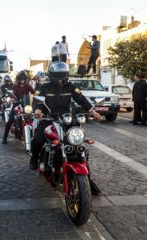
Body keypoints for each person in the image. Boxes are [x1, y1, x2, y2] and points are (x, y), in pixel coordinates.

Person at [30, 61, 102, 194]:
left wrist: (93, 111)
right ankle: (34, 157)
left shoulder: (70, 87)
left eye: (63, 76)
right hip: (48, 117)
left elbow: (81, 99)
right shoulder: (44, 87)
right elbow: (36, 100)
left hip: (66, 119)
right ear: (51, 76)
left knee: (79, 146)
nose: (60, 79)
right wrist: (38, 110)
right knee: (39, 138)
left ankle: (88, 182)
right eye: (57, 76)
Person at [2, 71, 36, 144]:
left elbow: (34, 92)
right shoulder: (15, 86)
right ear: (18, 79)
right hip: (16, 105)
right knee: (10, 121)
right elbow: (12, 93)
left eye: (23, 79)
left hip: (26, 105)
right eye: (21, 79)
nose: (22, 80)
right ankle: (5, 137)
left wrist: (39, 93)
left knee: (33, 119)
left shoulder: (28, 86)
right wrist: (12, 98)